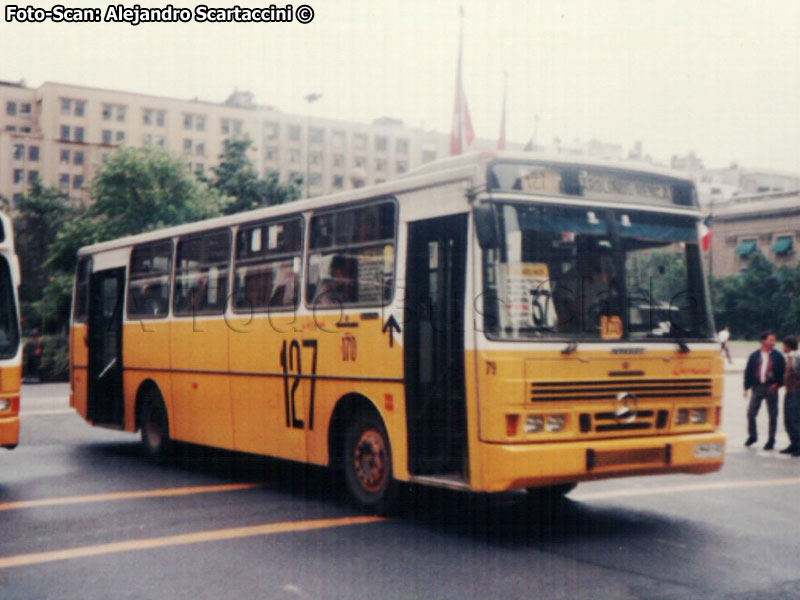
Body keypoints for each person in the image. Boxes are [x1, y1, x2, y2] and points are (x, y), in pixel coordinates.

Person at [743, 331, 786, 450]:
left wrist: (778, 383)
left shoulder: (778, 356)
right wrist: (746, 387)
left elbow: (783, 372)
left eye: (774, 340)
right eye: (770, 340)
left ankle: (771, 440)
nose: (773, 342)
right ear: (763, 341)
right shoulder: (754, 355)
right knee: (751, 413)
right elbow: (748, 371)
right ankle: (753, 436)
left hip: (772, 387)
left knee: (773, 415)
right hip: (757, 387)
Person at [780, 335, 800, 456]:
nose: (782, 347)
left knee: (794, 419)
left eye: (783, 345)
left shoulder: (797, 357)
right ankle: (793, 443)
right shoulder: (790, 357)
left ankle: (798, 445)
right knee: (788, 419)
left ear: (787, 346)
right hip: (789, 392)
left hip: (796, 392)